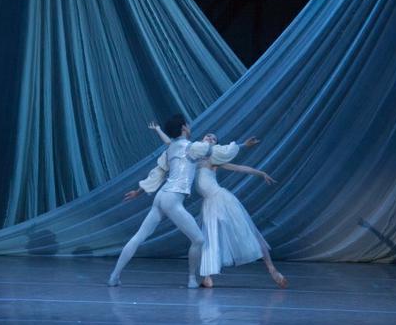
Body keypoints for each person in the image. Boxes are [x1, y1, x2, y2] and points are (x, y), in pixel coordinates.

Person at [107, 114, 259, 289]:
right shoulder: (192, 148)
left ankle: (114, 276)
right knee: (199, 240)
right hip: (172, 198)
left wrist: (138, 191)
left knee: (139, 237)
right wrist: (243, 145)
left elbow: (157, 172)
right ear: (185, 127)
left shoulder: (171, 149)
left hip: (161, 197)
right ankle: (191, 279)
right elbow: (220, 152)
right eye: (188, 125)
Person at [150, 124, 287, 288]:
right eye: (208, 135)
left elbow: (239, 168)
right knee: (208, 239)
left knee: (248, 232)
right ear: (203, 139)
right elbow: (172, 144)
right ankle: (207, 277)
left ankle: (272, 269)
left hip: (222, 199)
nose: (210, 138)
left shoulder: (212, 158)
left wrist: (260, 172)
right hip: (209, 204)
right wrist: (158, 130)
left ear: (215, 145)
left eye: (214, 138)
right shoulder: (191, 156)